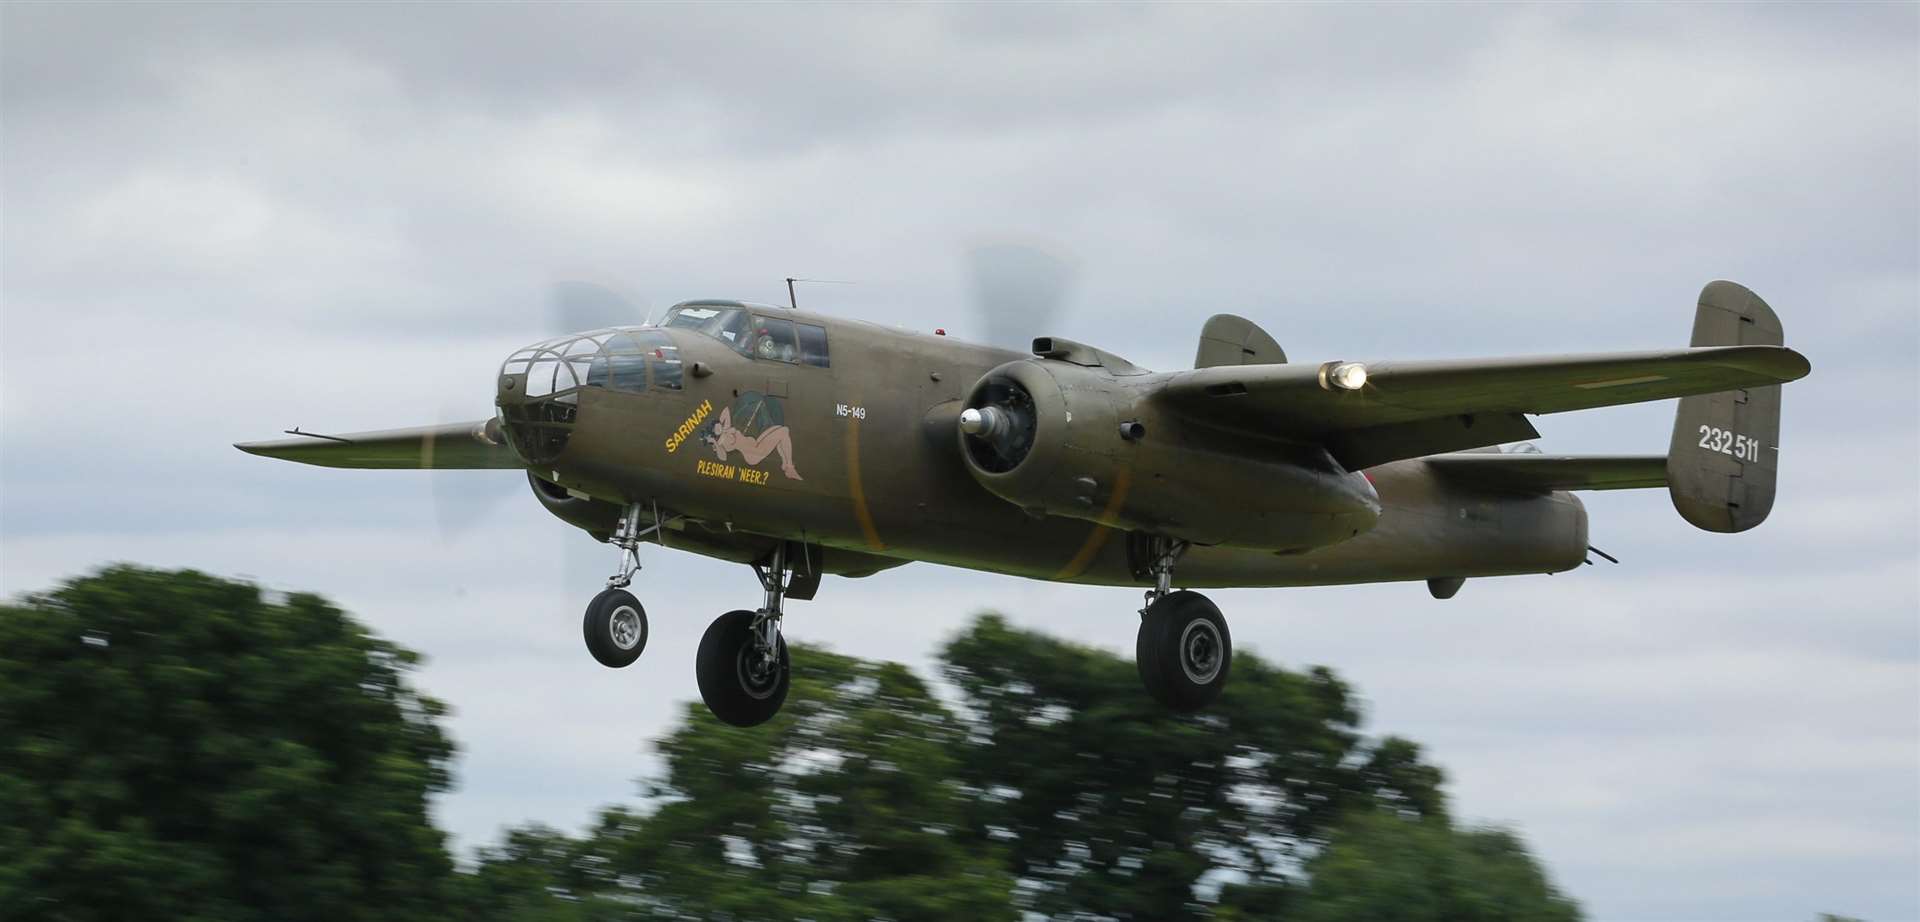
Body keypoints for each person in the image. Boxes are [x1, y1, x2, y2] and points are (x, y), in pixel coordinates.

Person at [705, 406, 802, 480]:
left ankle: (785, 464)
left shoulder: (726, 429)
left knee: (779, 428)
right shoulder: (722, 441)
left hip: (756, 444)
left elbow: (726, 410)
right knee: (784, 431)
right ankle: (789, 467)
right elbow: (723, 457)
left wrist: (719, 424)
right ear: (714, 433)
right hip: (755, 453)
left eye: (717, 425)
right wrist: (714, 442)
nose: (718, 426)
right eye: (715, 429)